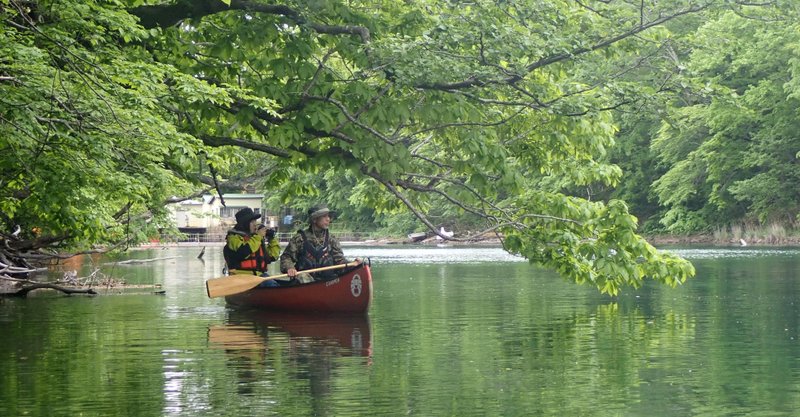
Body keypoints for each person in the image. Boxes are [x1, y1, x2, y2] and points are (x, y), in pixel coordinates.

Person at [280, 203, 361, 283]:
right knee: (302, 277)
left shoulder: (332, 239)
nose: (328, 219)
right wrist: (289, 268)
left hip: (328, 282)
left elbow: (340, 261)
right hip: (304, 283)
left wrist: (353, 264)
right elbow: (286, 257)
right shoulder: (299, 238)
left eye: (328, 216)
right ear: (315, 219)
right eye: (324, 216)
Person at [223, 208, 280, 283]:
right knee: (271, 284)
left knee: (280, 283)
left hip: (259, 276)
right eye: (252, 222)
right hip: (241, 278)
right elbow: (243, 252)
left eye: (255, 221)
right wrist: (258, 236)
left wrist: (272, 239)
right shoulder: (233, 238)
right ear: (245, 223)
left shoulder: (255, 238)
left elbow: (273, 256)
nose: (255, 224)